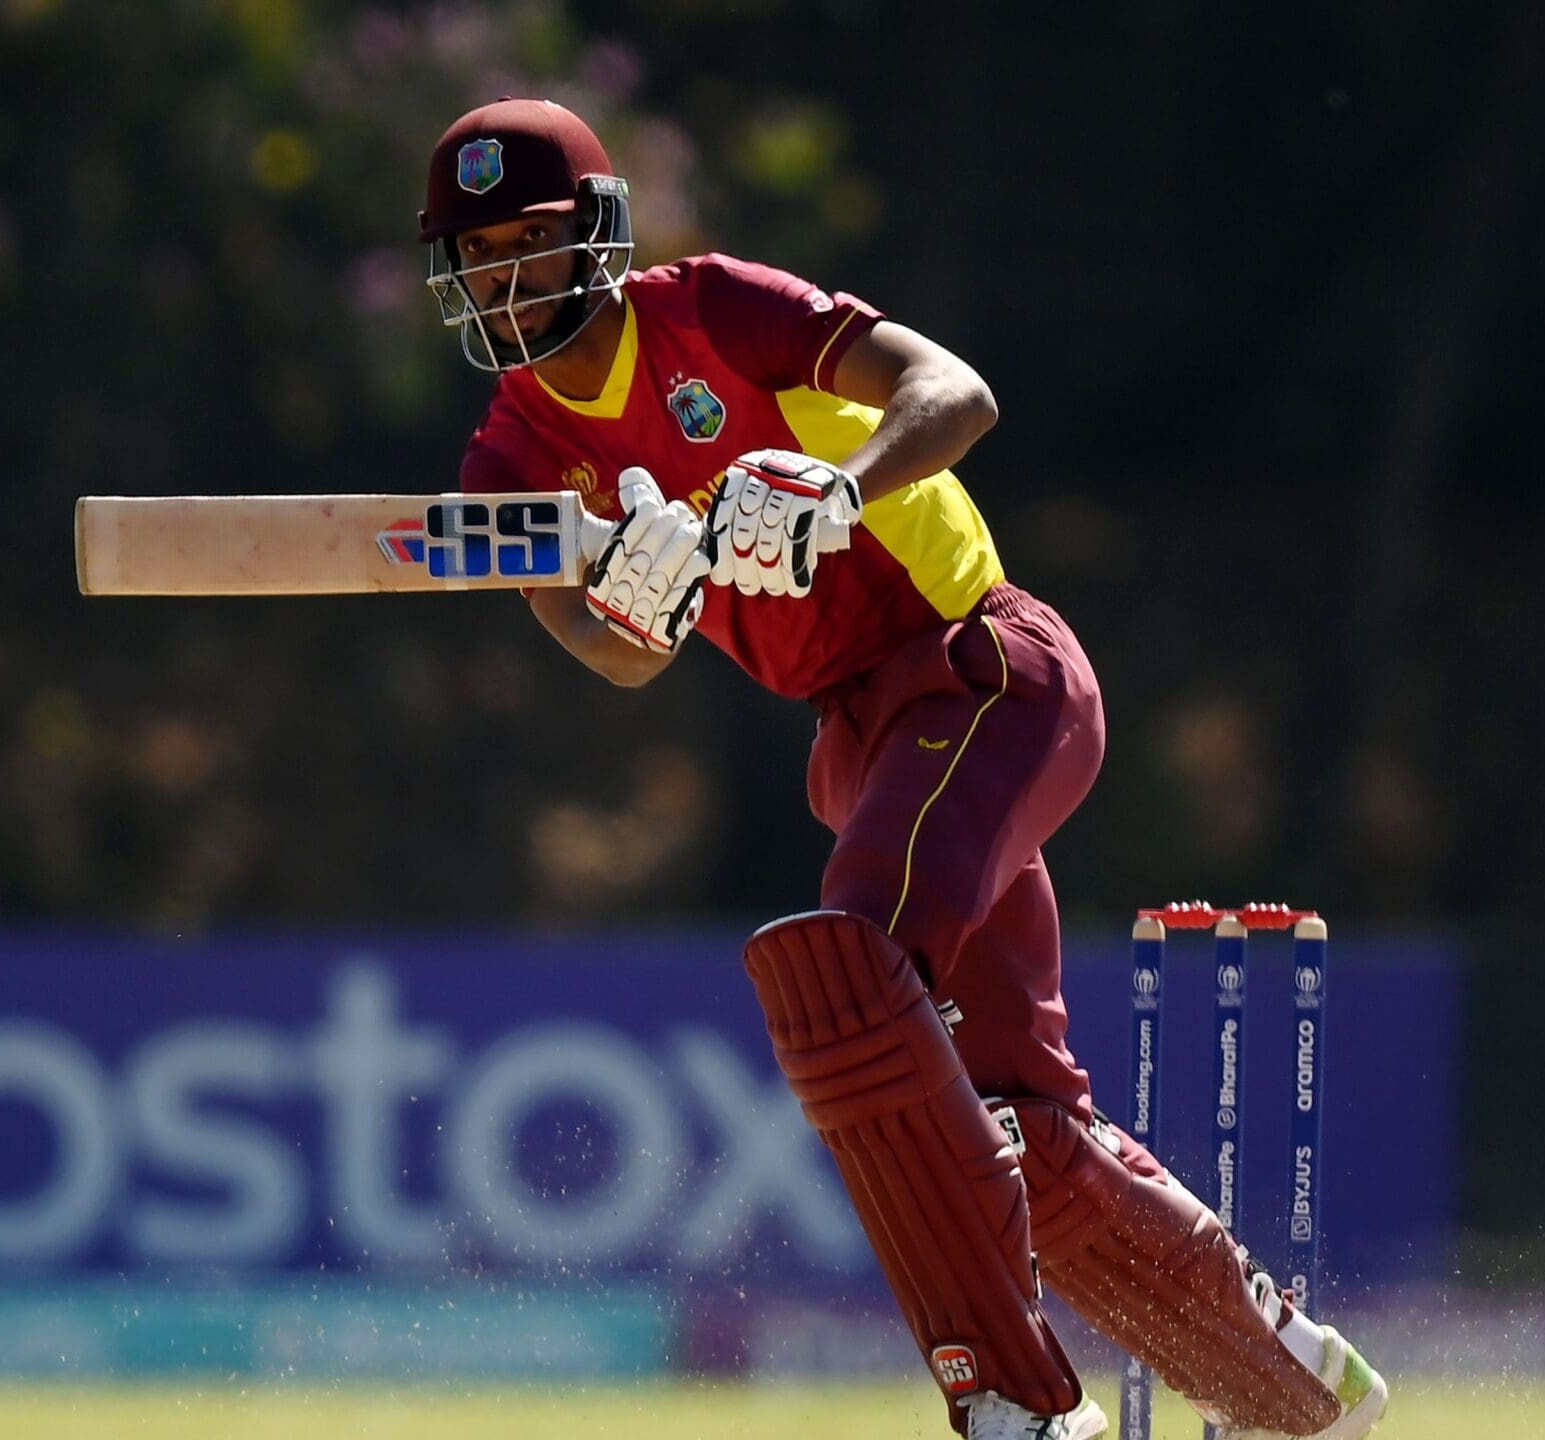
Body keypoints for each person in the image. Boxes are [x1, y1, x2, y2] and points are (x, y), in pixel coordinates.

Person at [416, 96, 1389, 1440]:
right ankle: (1282, 1376)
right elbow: (608, 648)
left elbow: (955, 392)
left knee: (854, 988)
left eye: (528, 244)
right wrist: (640, 605)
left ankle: (1016, 1405)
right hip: (860, 747)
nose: (507, 283)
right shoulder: (516, 451)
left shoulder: (711, 310)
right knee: (1008, 1128)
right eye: (479, 259)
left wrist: (838, 485)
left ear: (595, 234)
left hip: (982, 670)